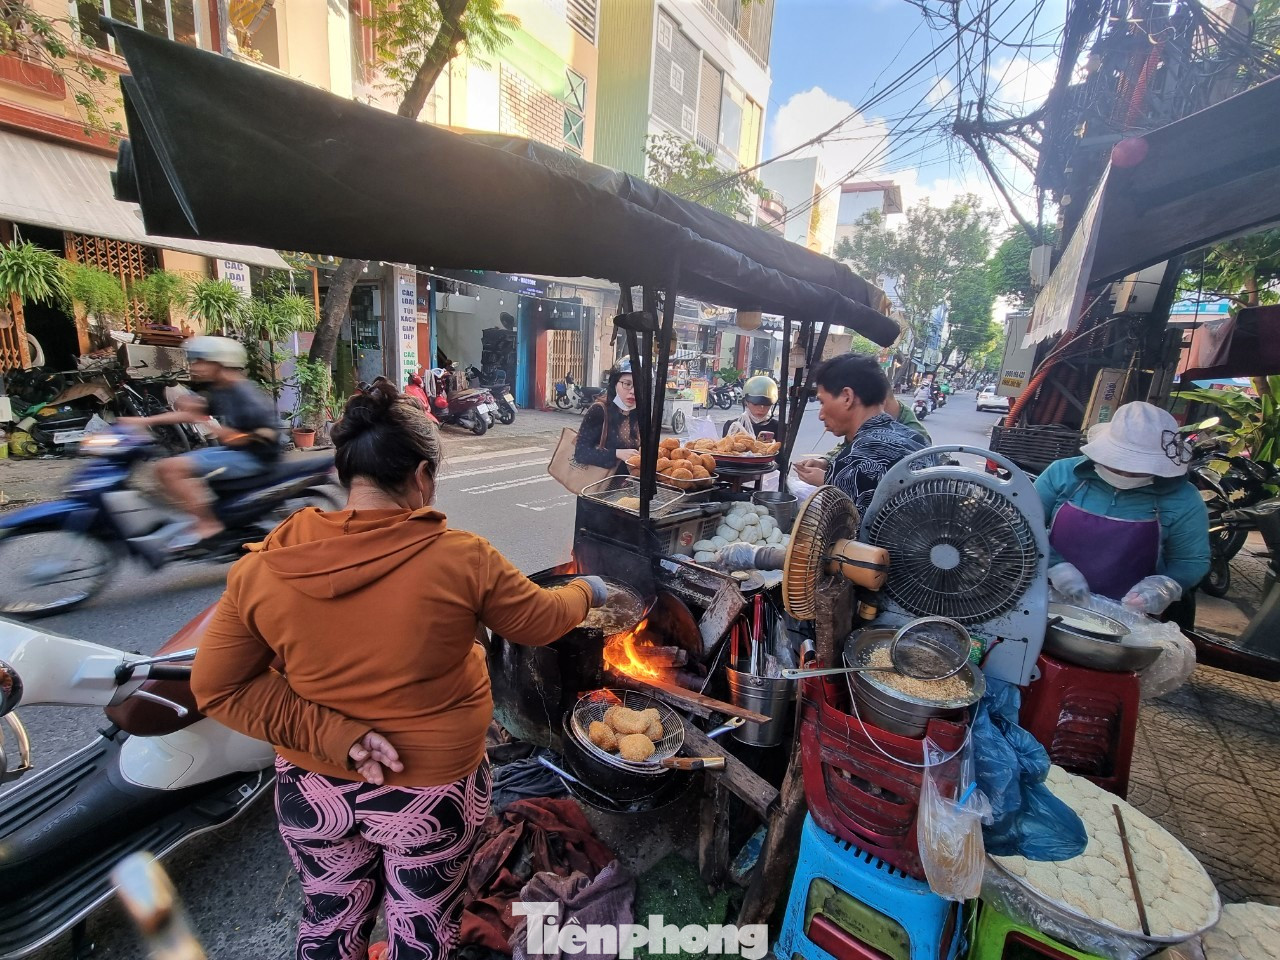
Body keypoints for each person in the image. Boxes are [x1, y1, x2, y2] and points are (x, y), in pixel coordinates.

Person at [190, 383, 608, 960]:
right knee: (420, 929)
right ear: (422, 477)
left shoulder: (263, 567)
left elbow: (217, 687)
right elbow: (540, 620)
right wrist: (587, 589)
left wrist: (340, 737)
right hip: (430, 791)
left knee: (332, 921)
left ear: (345, 475)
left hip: (315, 790)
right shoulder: (462, 557)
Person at [1035, 401, 1209, 622]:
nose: (1126, 473)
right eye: (1117, 465)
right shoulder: (1062, 474)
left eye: (1138, 470)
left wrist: (1164, 587)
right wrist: (1054, 565)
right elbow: (1021, 526)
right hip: (1043, 602)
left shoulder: (1184, 499)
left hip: (1128, 617)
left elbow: (1191, 560)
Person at [120, 336, 280, 543]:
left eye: (199, 361)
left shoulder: (244, 394)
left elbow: (266, 436)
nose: (194, 366)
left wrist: (228, 434)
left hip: (255, 458)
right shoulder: (221, 389)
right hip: (235, 452)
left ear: (219, 362)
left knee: (170, 469)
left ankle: (207, 523)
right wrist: (143, 421)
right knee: (162, 469)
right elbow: (191, 414)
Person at [793, 354, 928, 516]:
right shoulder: (917, 440)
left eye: (822, 402)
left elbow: (838, 536)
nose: (821, 415)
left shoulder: (852, 461)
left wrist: (830, 480)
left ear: (847, 397)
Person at [574, 362, 640, 472]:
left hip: (631, 484)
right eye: (627, 384)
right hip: (603, 484)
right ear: (614, 385)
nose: (633, 391)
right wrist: (616, 453)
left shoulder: (639, 413)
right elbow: (581, 453)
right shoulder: (599, 410)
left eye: (638, 386)